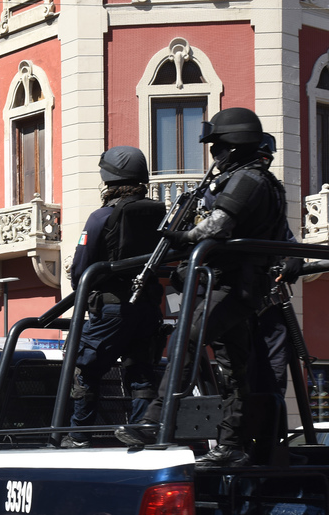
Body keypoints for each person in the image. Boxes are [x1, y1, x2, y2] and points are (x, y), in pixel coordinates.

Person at [116, 107, 299, 467]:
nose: (214, 155)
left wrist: (181, 239)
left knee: (188, 336)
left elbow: (217, 227)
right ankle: (232, 444)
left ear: (234, 144)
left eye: (218, 147)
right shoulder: (252, 179)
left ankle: (156, 419)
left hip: (234, 287)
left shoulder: (249, 179)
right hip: (235, 286)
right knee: (234, 369)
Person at [63, 146, 166, 448]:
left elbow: (81, 269)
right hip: (148, 307)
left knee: (86, 369)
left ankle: (79, 435)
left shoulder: (101, 217)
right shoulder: (160, 214)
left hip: (111, 309)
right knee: (140, 372)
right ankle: (139, 434)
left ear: (108, 180)